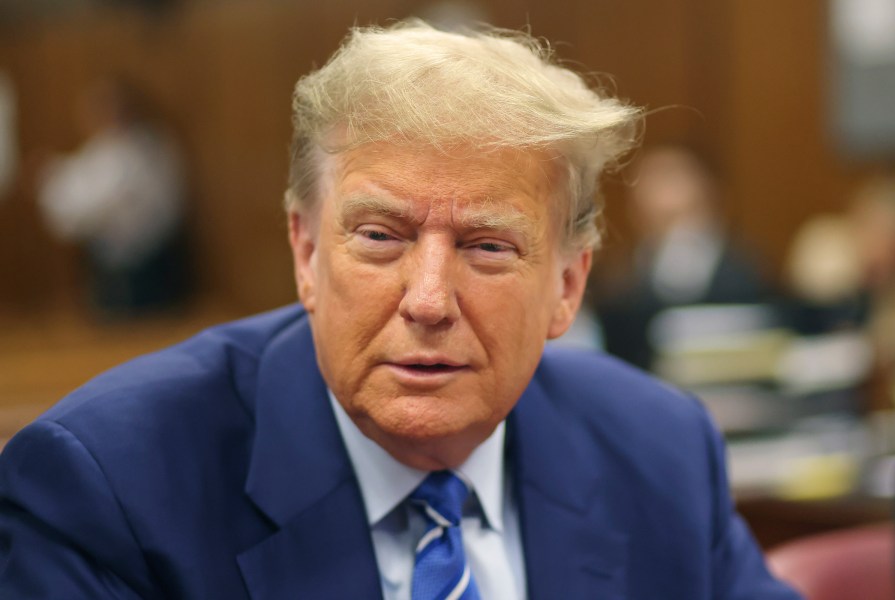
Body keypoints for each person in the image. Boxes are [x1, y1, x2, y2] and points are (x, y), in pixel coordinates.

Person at [0, 22, 800, 599]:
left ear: (566, 285)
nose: (426, 301)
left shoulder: (657, 453)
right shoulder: (106, 486)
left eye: (488, 247)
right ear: (307, 252)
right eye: (380, 236)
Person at [596, 143, 770, 370]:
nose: (665, 194)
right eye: (654, 180)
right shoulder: (618, 282)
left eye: (673, 177)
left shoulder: (747, 269)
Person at [35, 76, 189, 316]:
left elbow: (87, 207)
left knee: (138, 339)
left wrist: (51, 186)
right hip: (113, 266)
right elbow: (77, 178)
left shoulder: (139, 153)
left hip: (141, 269)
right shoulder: (107, 147)